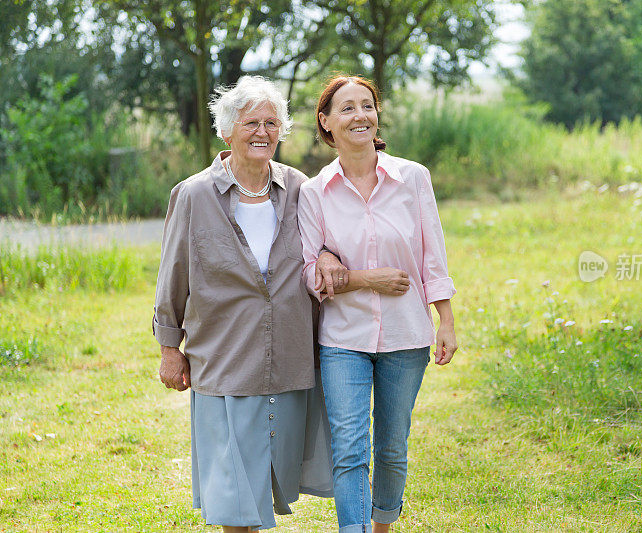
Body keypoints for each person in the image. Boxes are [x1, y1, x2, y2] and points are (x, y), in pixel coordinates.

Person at [152, 75, 345, 532]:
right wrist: (168, 347)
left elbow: (329, 243)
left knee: (269, 478)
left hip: (290, 355)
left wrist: (330, 254)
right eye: (251, 123)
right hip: (225, 357)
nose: (262, 132)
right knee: (235, 494)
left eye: (271, 123)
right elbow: (172, 274)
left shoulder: (300, 188)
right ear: (226, 131)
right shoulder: (194, 194)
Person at [297, 75, 458, 533]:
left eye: (366, 106)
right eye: (346, 109)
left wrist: (445, 319)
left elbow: (433, 255)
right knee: (350, 449)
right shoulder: (314, 192)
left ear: (377, 115)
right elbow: (311, 275)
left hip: (407, 333)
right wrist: (363, 278)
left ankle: (383, 524)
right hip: (342, 338)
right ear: (326, 123)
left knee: (391, 447)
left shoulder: (412, 178)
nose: (359, 116)